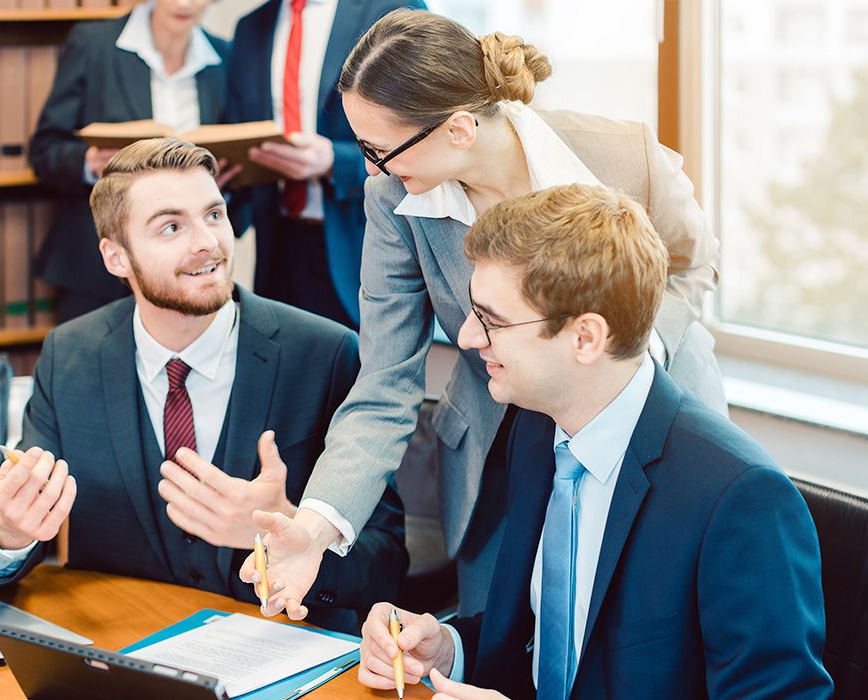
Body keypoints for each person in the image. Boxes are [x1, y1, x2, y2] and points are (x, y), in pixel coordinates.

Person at [242, 9, 727, 620]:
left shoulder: (623, 156)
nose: (368, 168)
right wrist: (313, 528)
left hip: (647, 413)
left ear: (461, 129)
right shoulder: (393, 198)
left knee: (647, 626)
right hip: (499, 440)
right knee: (491, 636)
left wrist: (634, 350)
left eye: (379, 149)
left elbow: (689, 264)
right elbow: (384, 382)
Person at [356, 184, 833, 700]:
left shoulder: (740, 498)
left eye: (491, 320)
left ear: (585, 338)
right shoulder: (537, 429)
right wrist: (450, 649)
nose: (468, 337)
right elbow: (551, 645)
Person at [0, 138, 408, 633]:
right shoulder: (71, 355)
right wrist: (12, 530)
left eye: (214, 215)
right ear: (116, 257)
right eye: (172, 226)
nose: (208, 242)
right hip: (122, 658)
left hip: (280, 658)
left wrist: (292, 530)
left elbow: (387, 560)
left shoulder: (324, 354)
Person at [222, 0, 425, 330]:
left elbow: (424, 139)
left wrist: (334, 161)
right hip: (278, 247)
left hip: (363, 241)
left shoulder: (392, 8)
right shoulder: (252, 26)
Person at [30, 0, 230, 323]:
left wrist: (217, 185)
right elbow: (44, 150)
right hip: (95, 269)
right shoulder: (94, 44)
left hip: (188, 269)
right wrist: (89, 162)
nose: (185, 3)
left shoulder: (224, 56)